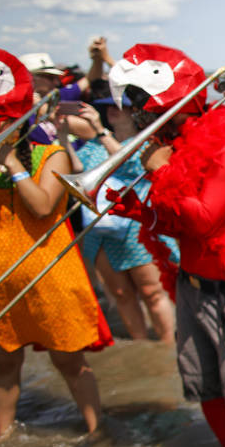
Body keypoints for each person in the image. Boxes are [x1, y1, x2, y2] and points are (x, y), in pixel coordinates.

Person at [105, 43, 225, 447]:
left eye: (145, 112)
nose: (140, 121)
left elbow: (205, 220)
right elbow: (178, 223)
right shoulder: (174, 152)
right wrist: (139, 210)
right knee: (203, 384)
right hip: (191, 288)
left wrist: (158, 170)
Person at [0, 49, 111, 439]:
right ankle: (4, 436)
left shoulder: (53, 154)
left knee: (69, 362)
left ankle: (96, 434)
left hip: (50, 273)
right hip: (3, 277)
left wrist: (11, 164)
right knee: (4, 364)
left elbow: (44, 206)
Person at [74, 94, 178, 343]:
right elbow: (79, 174)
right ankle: (141, 347)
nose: (112, 110)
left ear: (135, 113)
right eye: (107, 106)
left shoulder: (147, 143)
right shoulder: (93, 146)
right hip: (102, 231)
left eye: (119, 106)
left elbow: (130, 163)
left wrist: (100, 130)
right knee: (121, 294)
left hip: (137, 227)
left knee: (152, 292)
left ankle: (166, 346)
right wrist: (61, 133)